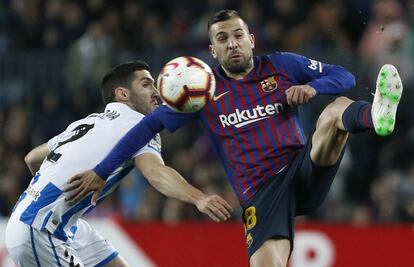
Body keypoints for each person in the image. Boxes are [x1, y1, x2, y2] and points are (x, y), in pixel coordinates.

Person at [66, 10, 403, 267]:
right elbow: (144, 130)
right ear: (213, 50)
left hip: (303, 169)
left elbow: (343, 75)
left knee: (335, 110)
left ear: (251, 39)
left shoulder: (282, 65)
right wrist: (101, 170)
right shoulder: (203, 91)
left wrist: (312, 87)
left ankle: (376, 116)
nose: (233, 44)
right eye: (223, 39)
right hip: (262, 194)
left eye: (238, 35)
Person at [5, 60, 232, 267]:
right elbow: (155, 173)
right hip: (39, 228)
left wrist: (48, 187)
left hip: (48, 220)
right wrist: (199, 198)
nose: (156, 93)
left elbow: (32, 157)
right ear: (122, 93)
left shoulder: (87, 122)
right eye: (146, 85)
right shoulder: (137, 125)